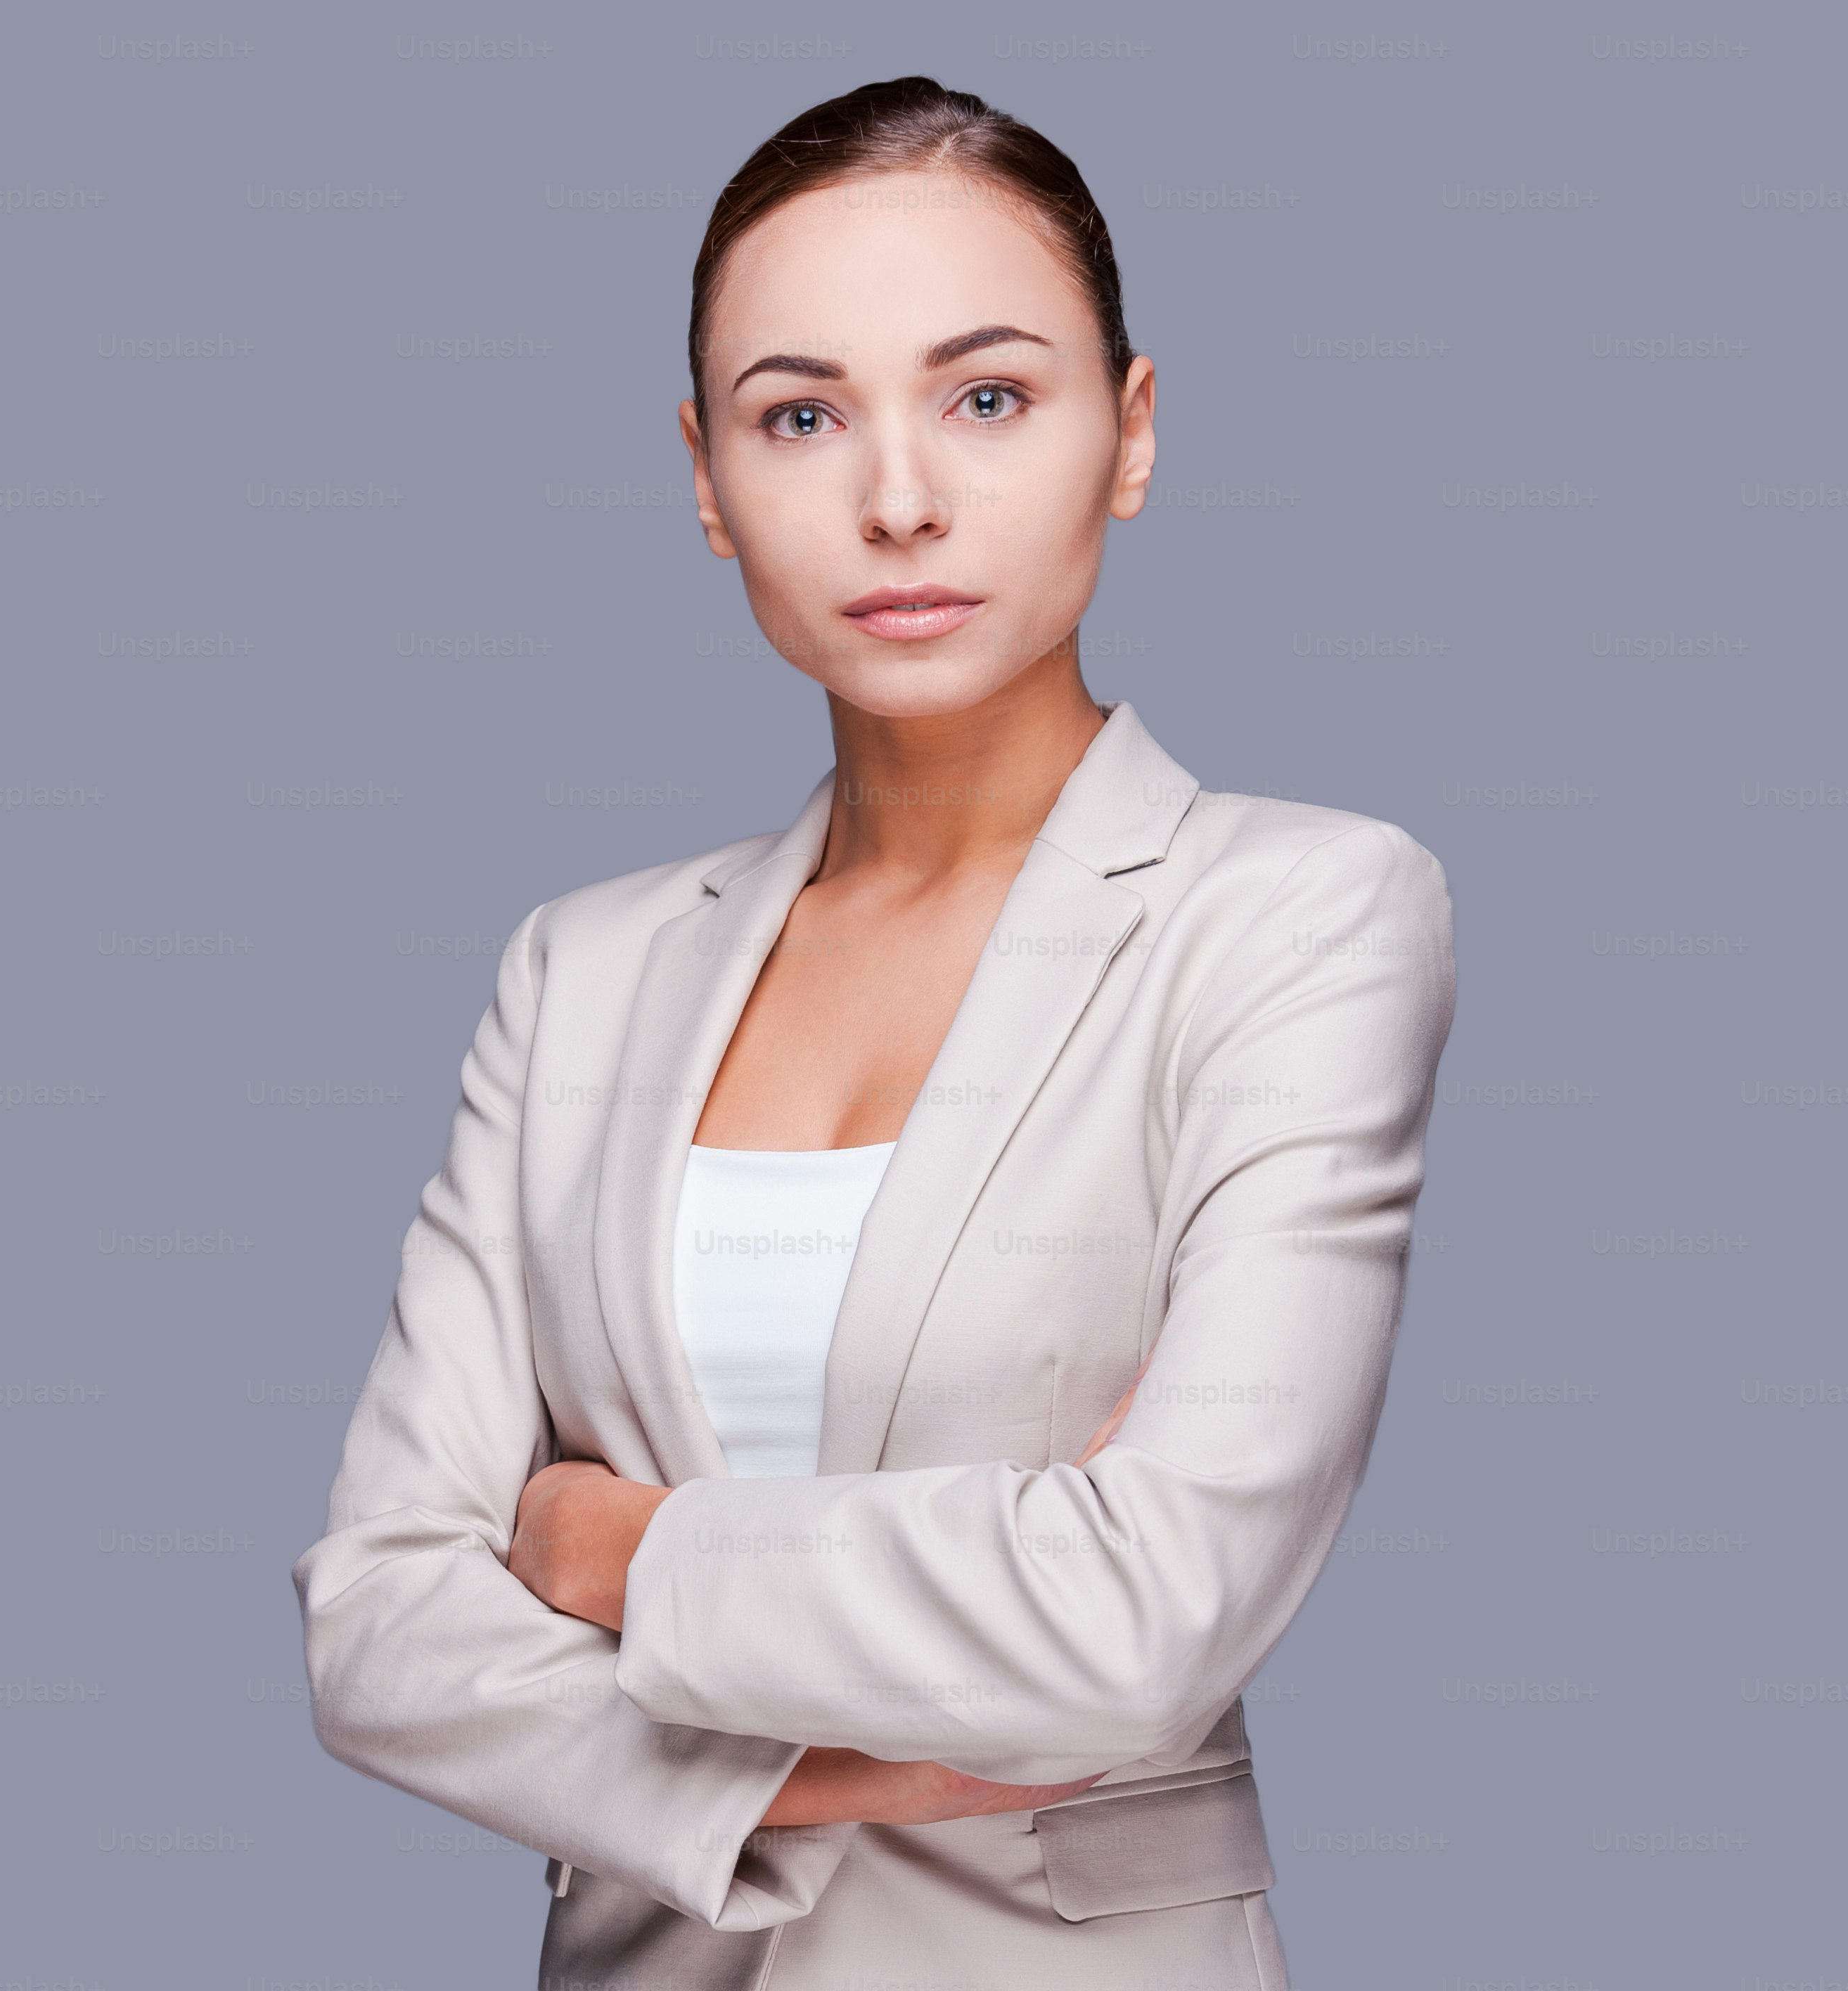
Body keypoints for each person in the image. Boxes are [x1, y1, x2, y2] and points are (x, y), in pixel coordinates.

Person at [293, 77, 1456, 1989]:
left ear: (1132, 431)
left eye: (987, 396)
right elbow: (378, 1628)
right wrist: (866, 1763)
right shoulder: (579, 970)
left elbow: (1146, 1618)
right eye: (802, 414)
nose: (898, 494)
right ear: (702, 473)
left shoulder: (1298, 917)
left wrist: (607, 1553)